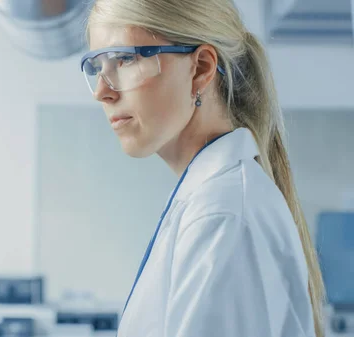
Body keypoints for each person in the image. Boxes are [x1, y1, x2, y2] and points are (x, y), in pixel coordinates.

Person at [79, 1, 326, 337]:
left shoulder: (222, 217)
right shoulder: (209, 201)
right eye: (97, 67)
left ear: (201, 69)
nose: (103, 92)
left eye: (125, 59)